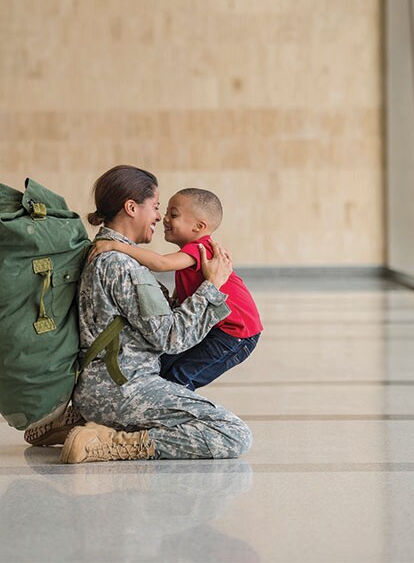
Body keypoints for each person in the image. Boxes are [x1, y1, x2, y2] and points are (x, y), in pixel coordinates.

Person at [58, 165, 253, 464]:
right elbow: (172, 339)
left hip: (106, 386)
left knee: (180, 387)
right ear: (131, 207)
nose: (160, 217)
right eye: (157, 206)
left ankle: (80, 424)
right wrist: (213, 286)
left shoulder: (105, 253)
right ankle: (114, 442)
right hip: (123, 389)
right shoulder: (120, 264)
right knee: (232, 433)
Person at [89, 187, 262, 391]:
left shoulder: (199, 249)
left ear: (199, 226)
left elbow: (160, 263)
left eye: (174, 215)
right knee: (164, 367)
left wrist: (117, 246)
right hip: (218, 328)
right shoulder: (191, 253)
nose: (165, 219)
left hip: (236, 333)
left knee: (181, 377)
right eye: (166, 212)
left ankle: (173, 408)